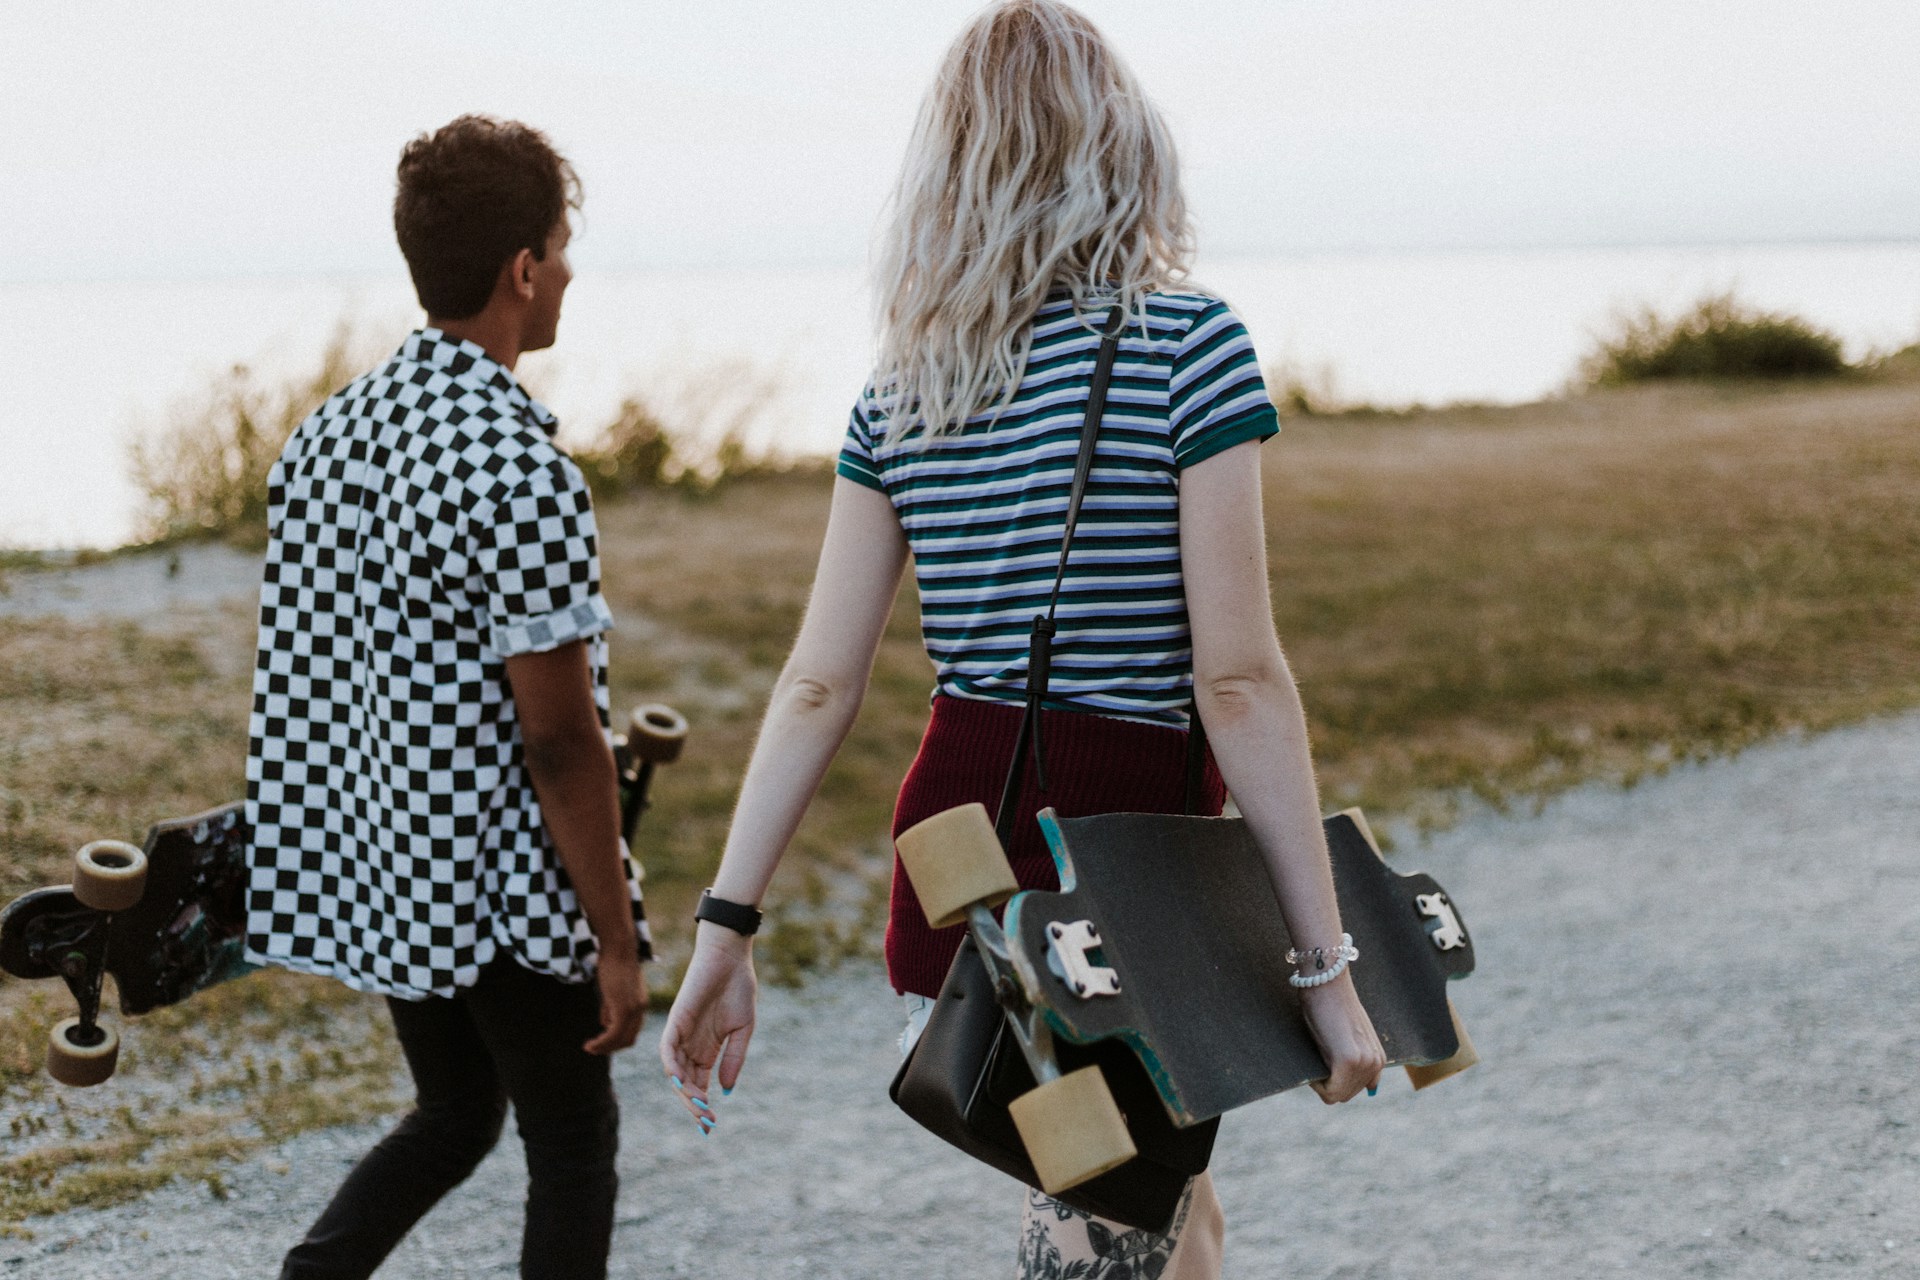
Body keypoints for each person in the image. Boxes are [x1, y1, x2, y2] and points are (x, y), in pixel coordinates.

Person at [659, 2, 1386, 1275]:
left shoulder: (904, 383)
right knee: (1100, 1227)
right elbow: (1236, 678)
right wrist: (1323, 962)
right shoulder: (1186, 347)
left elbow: (820, 679)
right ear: (1122, 142)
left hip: (964, 854)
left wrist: (728, 924)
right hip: (1112, 877)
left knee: (1160, 1199)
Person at [245, 115, 648, 1280]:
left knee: (457, 1109)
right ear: (524, 268)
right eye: (562, 247)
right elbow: (561, 739)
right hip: (504, 887)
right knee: (572, 1142)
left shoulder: (330, 433)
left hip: (395, 871)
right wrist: (614, 939)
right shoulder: (523, 470)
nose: (568, 271)